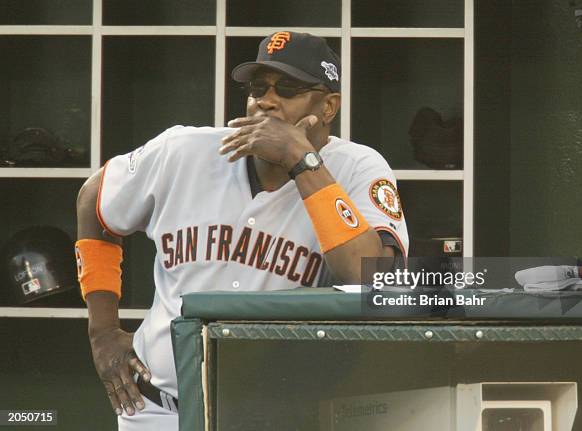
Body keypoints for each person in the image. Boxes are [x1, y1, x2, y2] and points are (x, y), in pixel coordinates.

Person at [76, 31, 409, 430]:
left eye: (288, 88)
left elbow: (372, 279)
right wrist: (102, 331)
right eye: (257, 87)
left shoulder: (357, 168)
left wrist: (300, 159)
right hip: (157, 410)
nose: (266, 101)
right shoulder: (184, 151)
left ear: (328, 106)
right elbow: (93, 199)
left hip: (276, 417)